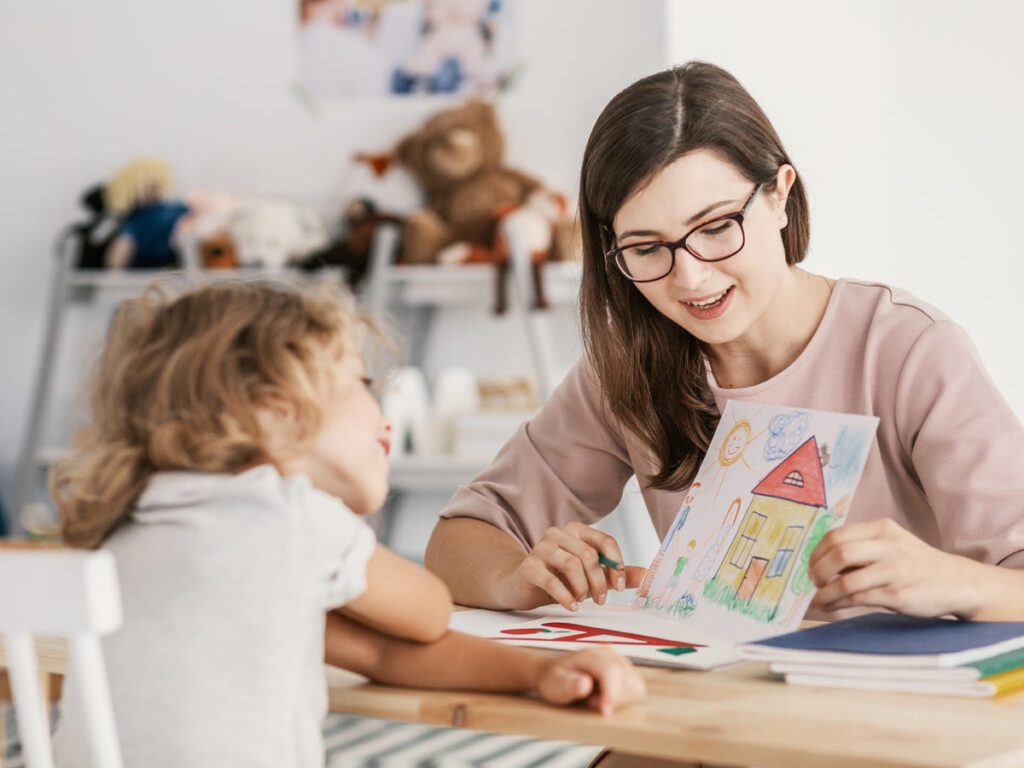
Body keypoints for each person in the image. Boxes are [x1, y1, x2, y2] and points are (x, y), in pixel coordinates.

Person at [425, 61, 1024, 625]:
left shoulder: (908, 350)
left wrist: (953, 580)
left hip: (895, 715)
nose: (691, 277)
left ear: (779, 194)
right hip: (715, 710)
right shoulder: (628, 368)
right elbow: (462, 537)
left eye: (716, 228)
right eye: (647, 247)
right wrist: (514, 578)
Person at [50, 280, 645, 768]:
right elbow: (427, 613)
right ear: (273, 409)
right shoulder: (288, 517)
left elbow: (378, 654)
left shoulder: (132, 523)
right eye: (362, 385)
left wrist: (542, 671)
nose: (381, 412)